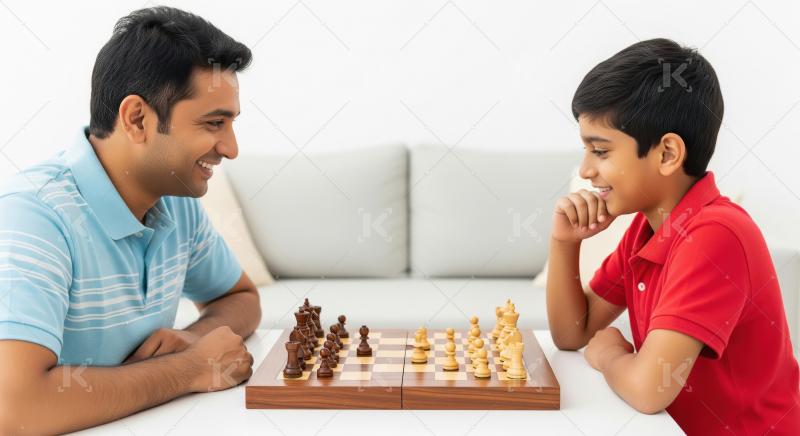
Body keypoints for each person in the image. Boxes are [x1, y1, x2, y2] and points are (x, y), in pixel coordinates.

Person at [0, 7, 260, 434]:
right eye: (215, 123)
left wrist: (197, 338)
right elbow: (15, 408)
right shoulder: (32, 216)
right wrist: (188, 369)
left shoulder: (177, 202)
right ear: (137, 118)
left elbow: (242, 298)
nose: (230, 148)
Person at [546, 38, 800, 434]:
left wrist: (612, 355)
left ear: (666, 154)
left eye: (600, 151)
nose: (586, 170)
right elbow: (571, 333)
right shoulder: (648, 229)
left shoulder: (715, 236)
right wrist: (565, 243)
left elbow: (649, 391)